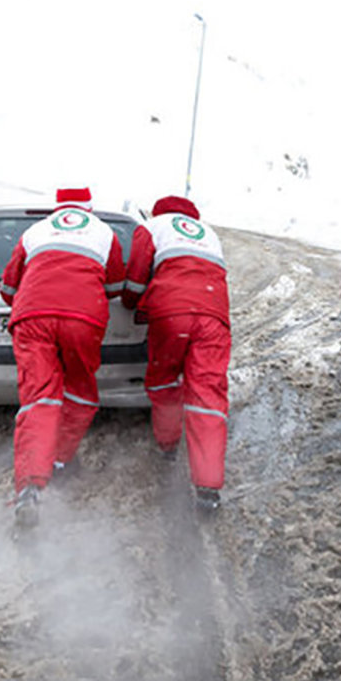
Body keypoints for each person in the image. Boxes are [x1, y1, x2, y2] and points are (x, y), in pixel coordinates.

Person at [0, 187, 125, 527]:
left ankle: (29, 487)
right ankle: (59, 461)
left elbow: (8, 288)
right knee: (80, 391)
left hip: (32, 317)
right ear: (89, 207)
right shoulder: (103, 231)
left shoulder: (35, 231)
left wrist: (35, 300)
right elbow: (115, 286)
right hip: (84, 317)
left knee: (39, 398)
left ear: (57, 208)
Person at [122, 195, 230, 510]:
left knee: (164, 380)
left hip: (172, 315)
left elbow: (136, 277)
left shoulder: (152, 226)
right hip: (214, 318)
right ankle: (208, 489)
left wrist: (132, 304)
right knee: (208, 396)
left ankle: (168, 445)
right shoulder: (209, 234)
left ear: (159, 211)